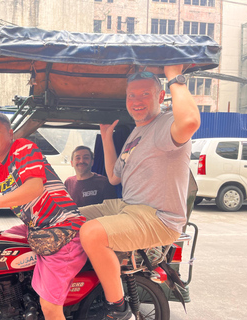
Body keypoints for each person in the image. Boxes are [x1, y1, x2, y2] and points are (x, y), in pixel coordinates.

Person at [79, 65, 200, 320]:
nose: (136, 101)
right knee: (68, 216)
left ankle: (117, 307)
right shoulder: (136, 133)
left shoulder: (165, 123)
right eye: (131, 95)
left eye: (145, 94)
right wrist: (105, 136)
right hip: (128, 207)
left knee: (91, 234)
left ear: (159, 97)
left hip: (158, 217)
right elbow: (114, 175)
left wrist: (174, 76)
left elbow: (189, 121)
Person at [0, 113, 87, 320]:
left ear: (10, 134)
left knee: (49, 307)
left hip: (63, 229)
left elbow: (34, 187)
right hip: (37, 228)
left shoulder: (23, 148)